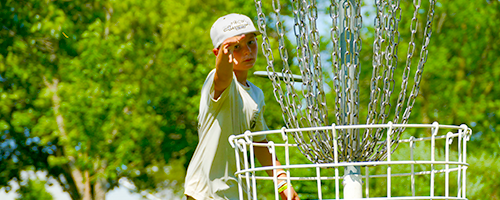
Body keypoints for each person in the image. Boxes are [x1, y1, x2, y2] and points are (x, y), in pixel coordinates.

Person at [183, 13, 300, 200]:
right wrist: (224, 57)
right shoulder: (218, 82)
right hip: (206, 191)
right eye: (236, 47)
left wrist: (282, 180)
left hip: (236, 190)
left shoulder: (256, 94)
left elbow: (259, 142)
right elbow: (222, 76)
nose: (247, 51)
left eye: (251, 43)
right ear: (218, 52)